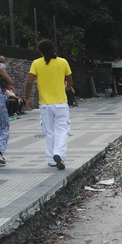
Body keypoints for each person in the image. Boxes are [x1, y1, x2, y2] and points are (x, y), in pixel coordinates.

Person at [25, 39, 72, 170]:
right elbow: (70, 81)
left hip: (45, 105)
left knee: (49, 132)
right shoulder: (63, 62)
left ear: (40, 51)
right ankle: (59, 154)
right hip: (61, 103)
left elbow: (29, 83)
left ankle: (51, 159)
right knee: (62, 130)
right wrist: (65, 88)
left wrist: (27, 98)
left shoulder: (36, 63)